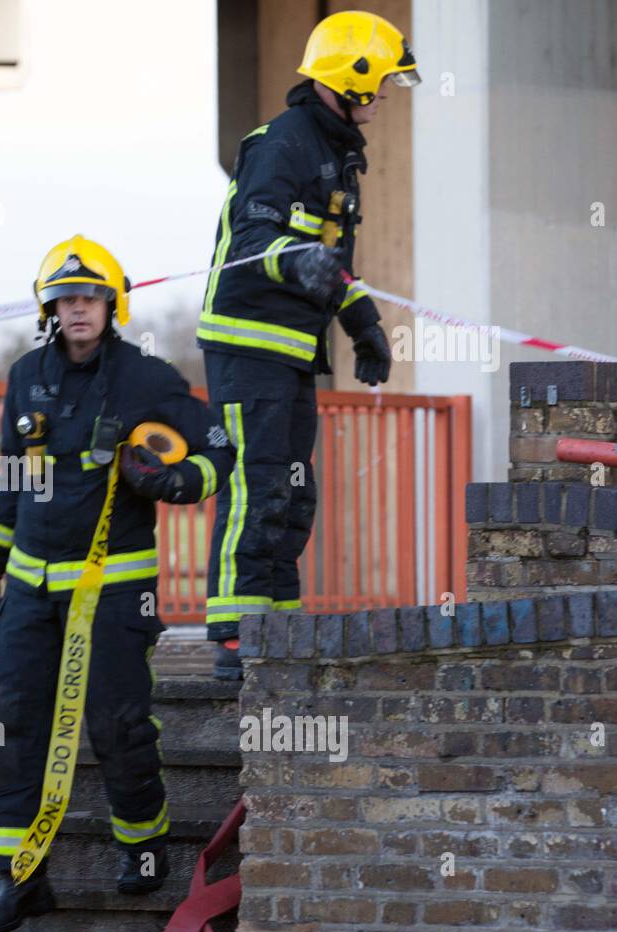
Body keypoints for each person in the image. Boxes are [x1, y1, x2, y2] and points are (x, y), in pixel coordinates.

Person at [0, 235, 234, 932]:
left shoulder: (145, 377)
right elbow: (12, 483)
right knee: (9, 729)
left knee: (117, 722)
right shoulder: (24, 375)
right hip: (29, 591)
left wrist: (173, 480)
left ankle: (141, 849)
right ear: (49, 307)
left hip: (114, 591)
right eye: (66, 299)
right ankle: (17, 880)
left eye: (90, 298)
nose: (78, 310)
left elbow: (221, 447)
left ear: (112, 305)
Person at [195, 10, 419, 680]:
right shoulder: (281, 145)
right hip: (246, 347)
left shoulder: (337, 156)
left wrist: (362, 322)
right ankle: (234, 638)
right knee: (256, 485)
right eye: (381, 84)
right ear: (351, 79)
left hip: (292, 350)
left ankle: (278, 629)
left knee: (293, 492)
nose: (383, 98)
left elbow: (328, 260)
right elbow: (255, 240)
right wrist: (300, 263)